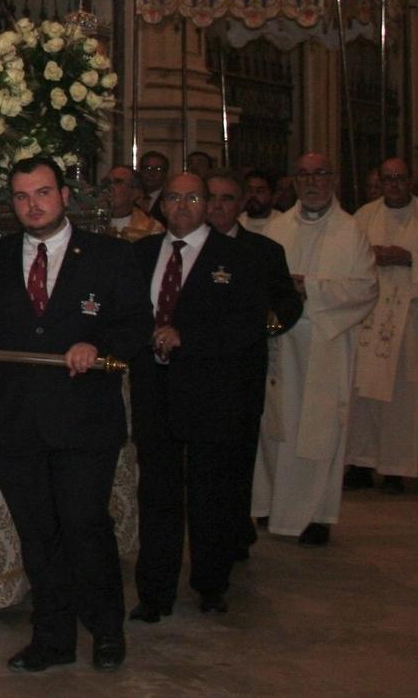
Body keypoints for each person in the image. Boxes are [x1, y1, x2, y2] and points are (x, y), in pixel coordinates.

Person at [0, 156, 151, 673]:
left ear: (65, 197)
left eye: (43, 193)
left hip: (84, 423)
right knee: (37, 535)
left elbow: (135, 328)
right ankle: (52, 637)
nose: (33, 205)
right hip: (17, 425)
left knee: (84, 526)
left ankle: (105, 630)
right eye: (21, 196)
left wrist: (95, 346)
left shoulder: (109, 257)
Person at [127, 172, 293, 620]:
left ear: (208, 205)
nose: (182, 205)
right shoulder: (140, 255)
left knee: (210, 493)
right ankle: (154, 592)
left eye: (193, 197)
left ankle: (211, 582)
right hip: (153, 391)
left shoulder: (239, 257)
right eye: (174, 197)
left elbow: (246, 324)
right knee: (157, 494)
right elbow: (123, 313)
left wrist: (188, 339)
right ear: (162, 206)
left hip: (212, 390)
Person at [251, 152, 377, 546]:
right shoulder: (277, 228)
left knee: (320, 429)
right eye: (304, 175)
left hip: (326, 341)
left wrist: (311, 287)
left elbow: (366, 288)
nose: (311, 182)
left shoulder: (350, 230)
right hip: (281, 342)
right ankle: (270, 503)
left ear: (333, 179)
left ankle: (316, 513)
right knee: (276, 425)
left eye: (319, 174)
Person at [198, 171, 301, 566]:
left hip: (241, 371)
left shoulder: (264, 251)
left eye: (228, 198)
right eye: (213, 198)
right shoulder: (188, 249)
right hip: (196, 373)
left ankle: (235, 529)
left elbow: (288, 301)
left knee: (239, 457)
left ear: (242, 204)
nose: (219, 206)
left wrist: (272, 323)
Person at [343, 159, 418, 494]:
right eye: (387, 179)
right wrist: (371, 257)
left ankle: (395, 468)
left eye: (399, 178)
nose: (393, 184)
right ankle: (361, 464)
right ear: (379, 182)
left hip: (407, 319)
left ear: (412, 181)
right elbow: (344, 256)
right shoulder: (364, 216)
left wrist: (410, 258)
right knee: (361, 393)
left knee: (401, 395)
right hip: (369, 316)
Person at [101, 164, 165, 242]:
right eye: (106, 182)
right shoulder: (92, 223)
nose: (109, 187)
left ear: (135, 193)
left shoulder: (152, 229)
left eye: (117, 182)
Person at [241, 167, 282, 236]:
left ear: (272, 195)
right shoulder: (236, 223)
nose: (253, 195)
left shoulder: (283, 222)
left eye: (259, 191)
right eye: (250, 190)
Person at [136, 150, 171, 223]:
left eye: (158, 169)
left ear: (165, 174)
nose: (152, 173)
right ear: (140, 171)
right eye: (147, 168)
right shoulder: (131, 197)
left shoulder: (169, 200)